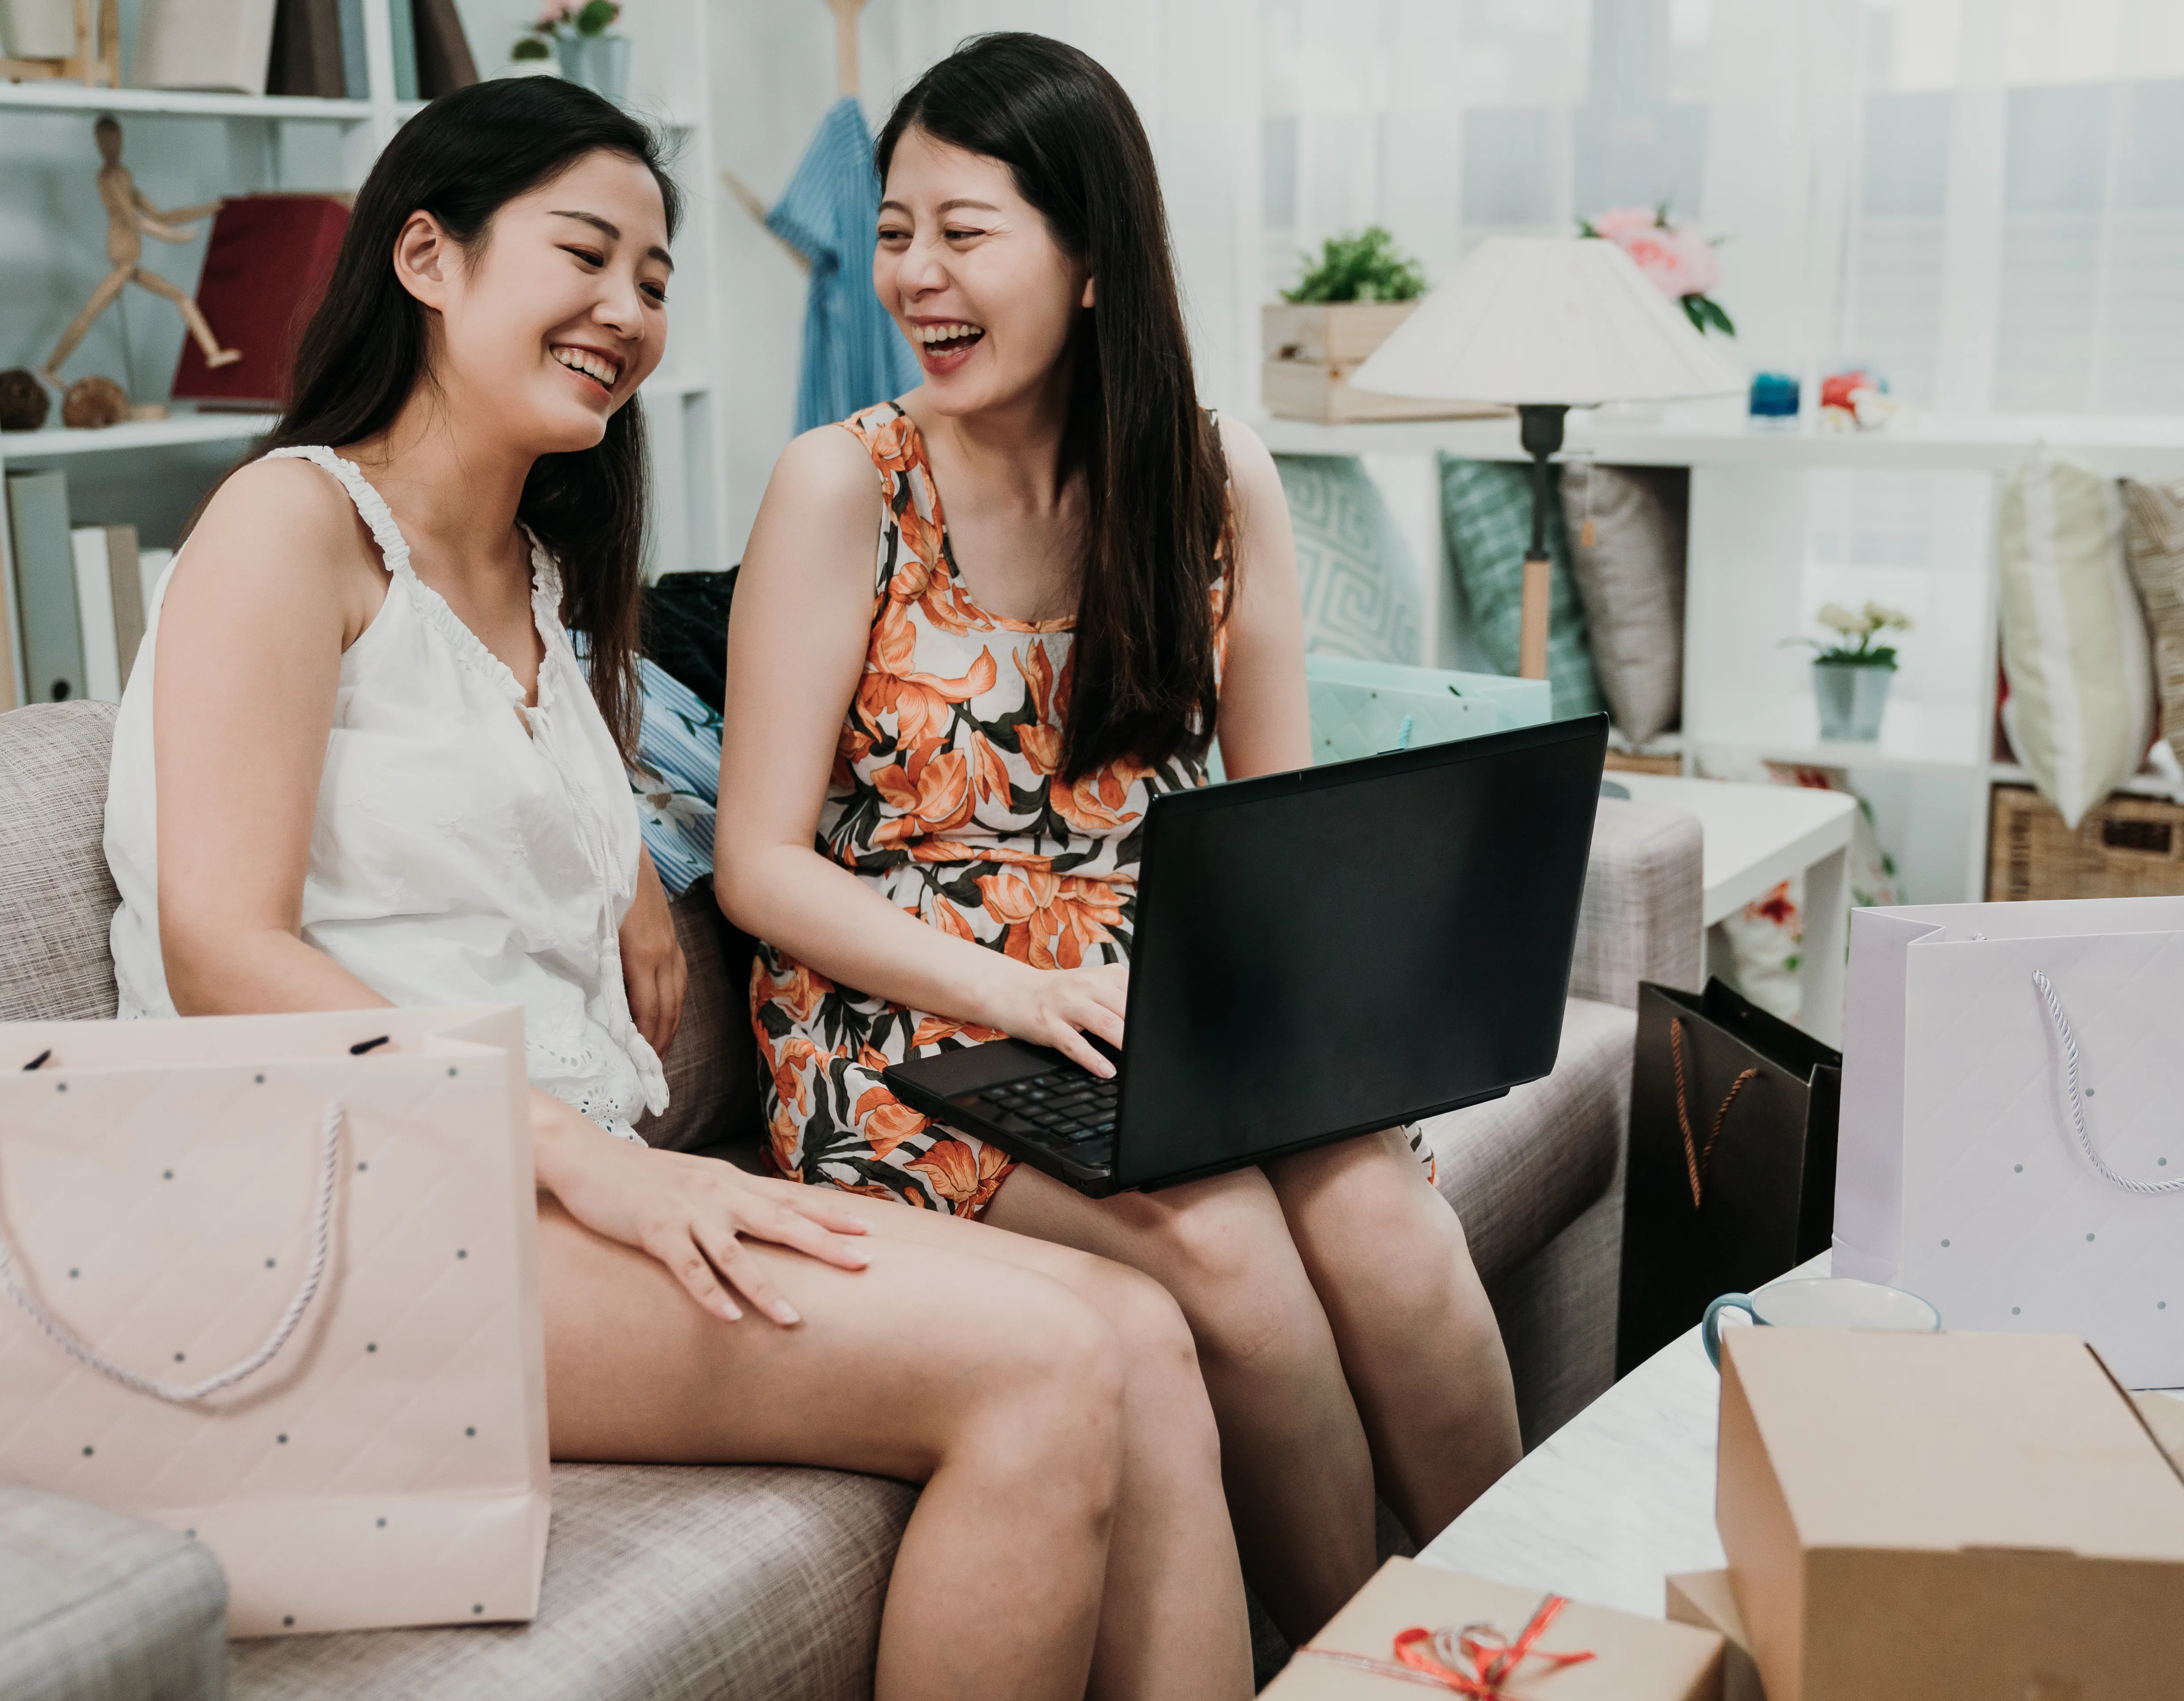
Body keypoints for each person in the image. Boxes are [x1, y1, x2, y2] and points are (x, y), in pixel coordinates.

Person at [102, 77, 1249, 1701]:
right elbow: (221, 948)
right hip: (356, 1204)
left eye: (654, 277)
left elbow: (482, 817)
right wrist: (607, 1169)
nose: (627, 311)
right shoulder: (287, 523)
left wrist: (633, 873)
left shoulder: (537, 580)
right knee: (1053, 1363)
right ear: (426, 257)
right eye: (585, 254)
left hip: (541, 1195)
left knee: (1144, 1336)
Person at [715, 32, 1522, 1645]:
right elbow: (761, 865)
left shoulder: (1216, 481)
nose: (914, 276)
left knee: (1384, 1221)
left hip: (1153, 1008)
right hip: (907, 1018)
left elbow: (1281, 838)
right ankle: (1395, 1666)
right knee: (1224, 1251)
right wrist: (1014, 994)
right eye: (895, 231)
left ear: (1092, 262)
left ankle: (1539, 1626)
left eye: (965, 230)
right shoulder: (843, 487)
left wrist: (1341, 1038)